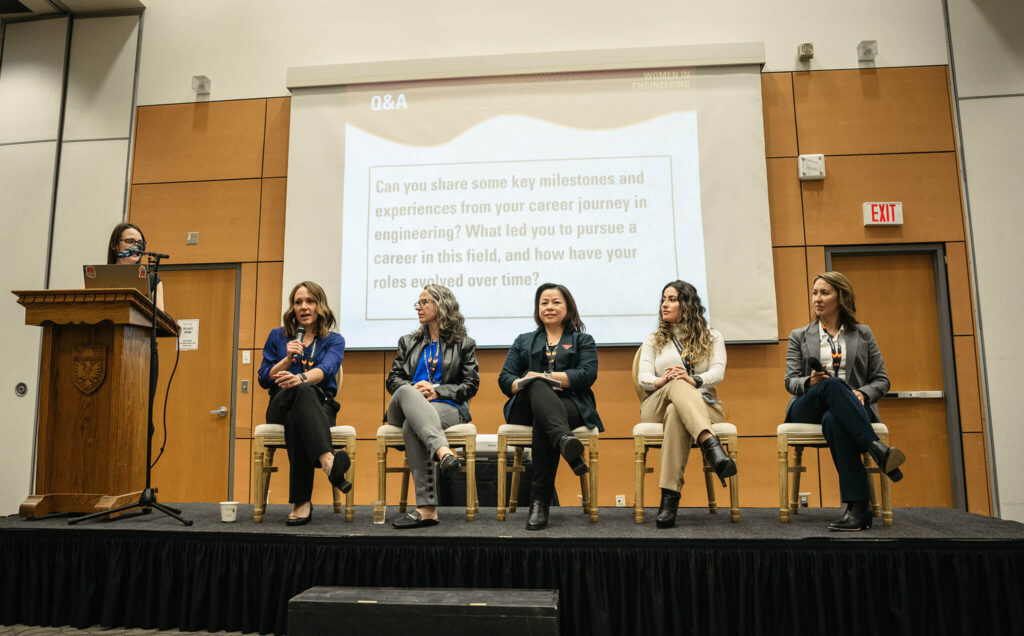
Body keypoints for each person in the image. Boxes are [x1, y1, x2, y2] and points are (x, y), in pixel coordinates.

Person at [784, 271, 905, 531]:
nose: (817, 298)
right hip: (809, 405)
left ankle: (858, 508)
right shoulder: (799, 336)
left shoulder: (863, 334)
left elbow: (882, 380)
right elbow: (790, 381)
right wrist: (810, 382)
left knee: (835, 420)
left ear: (841, 297)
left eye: (824, 293)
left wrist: (862, 394)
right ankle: (875, 448)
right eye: (815, 292)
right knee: (834, 385)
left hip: (848, 410)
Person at [498, 283, 602, 530]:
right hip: (525, 405)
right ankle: (565, 441)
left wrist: (550, 379)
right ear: (537, 308)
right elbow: (505, 379)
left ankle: (539, 502)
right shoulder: (523, 341)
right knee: (535, 384)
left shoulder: (582, 340)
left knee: (544, 422)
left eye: (556, 302)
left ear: (568, 306)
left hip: (572, 404)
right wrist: (531, 381)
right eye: (544, 302)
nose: (549, 307)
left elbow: (587, 374)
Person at [637, 280, 736, 529]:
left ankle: (669, 499)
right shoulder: (654, 339)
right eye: (663, 299)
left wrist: (693, 379)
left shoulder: (713, 336)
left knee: (677, 409)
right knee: (676, 385)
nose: (664, 305)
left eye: (671, 299)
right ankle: (710, 445)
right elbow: (643, 377)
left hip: (706, 405)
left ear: (687, 304)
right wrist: (664, 380)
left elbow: (718, 372)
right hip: (656, 404)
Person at [385, 285, 480, 529]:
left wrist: (437, 391)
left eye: (424, 302)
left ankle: (427, 510)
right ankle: (444, 452)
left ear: (441, 305)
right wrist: (417, 388)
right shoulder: (408, 342)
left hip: (445, 407)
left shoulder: (464, 344)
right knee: (406, 390)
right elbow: (393, 380)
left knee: (412, 426)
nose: (418, 307)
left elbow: (470, 385)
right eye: (417, 303)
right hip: (402, 405)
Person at [257, 281, 349, 526]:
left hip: (321, 407)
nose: (304, 307)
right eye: (298, 302)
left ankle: (301, 503)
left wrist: (300, 379)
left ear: (320, 306)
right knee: (298, 396)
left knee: (301, 406)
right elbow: (264, 378)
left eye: (310, 301)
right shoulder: (278, 336)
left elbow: (327, 370)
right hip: (280, 403)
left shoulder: (334, 340)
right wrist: (286, 360)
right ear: (292, 308)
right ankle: (328, 461)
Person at [106, 222, 164, 311]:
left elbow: (159, 320)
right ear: (114, 245)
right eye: (130, 241)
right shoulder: (99, 276)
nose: (136, 247)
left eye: (140, 243)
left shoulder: (153, 281)